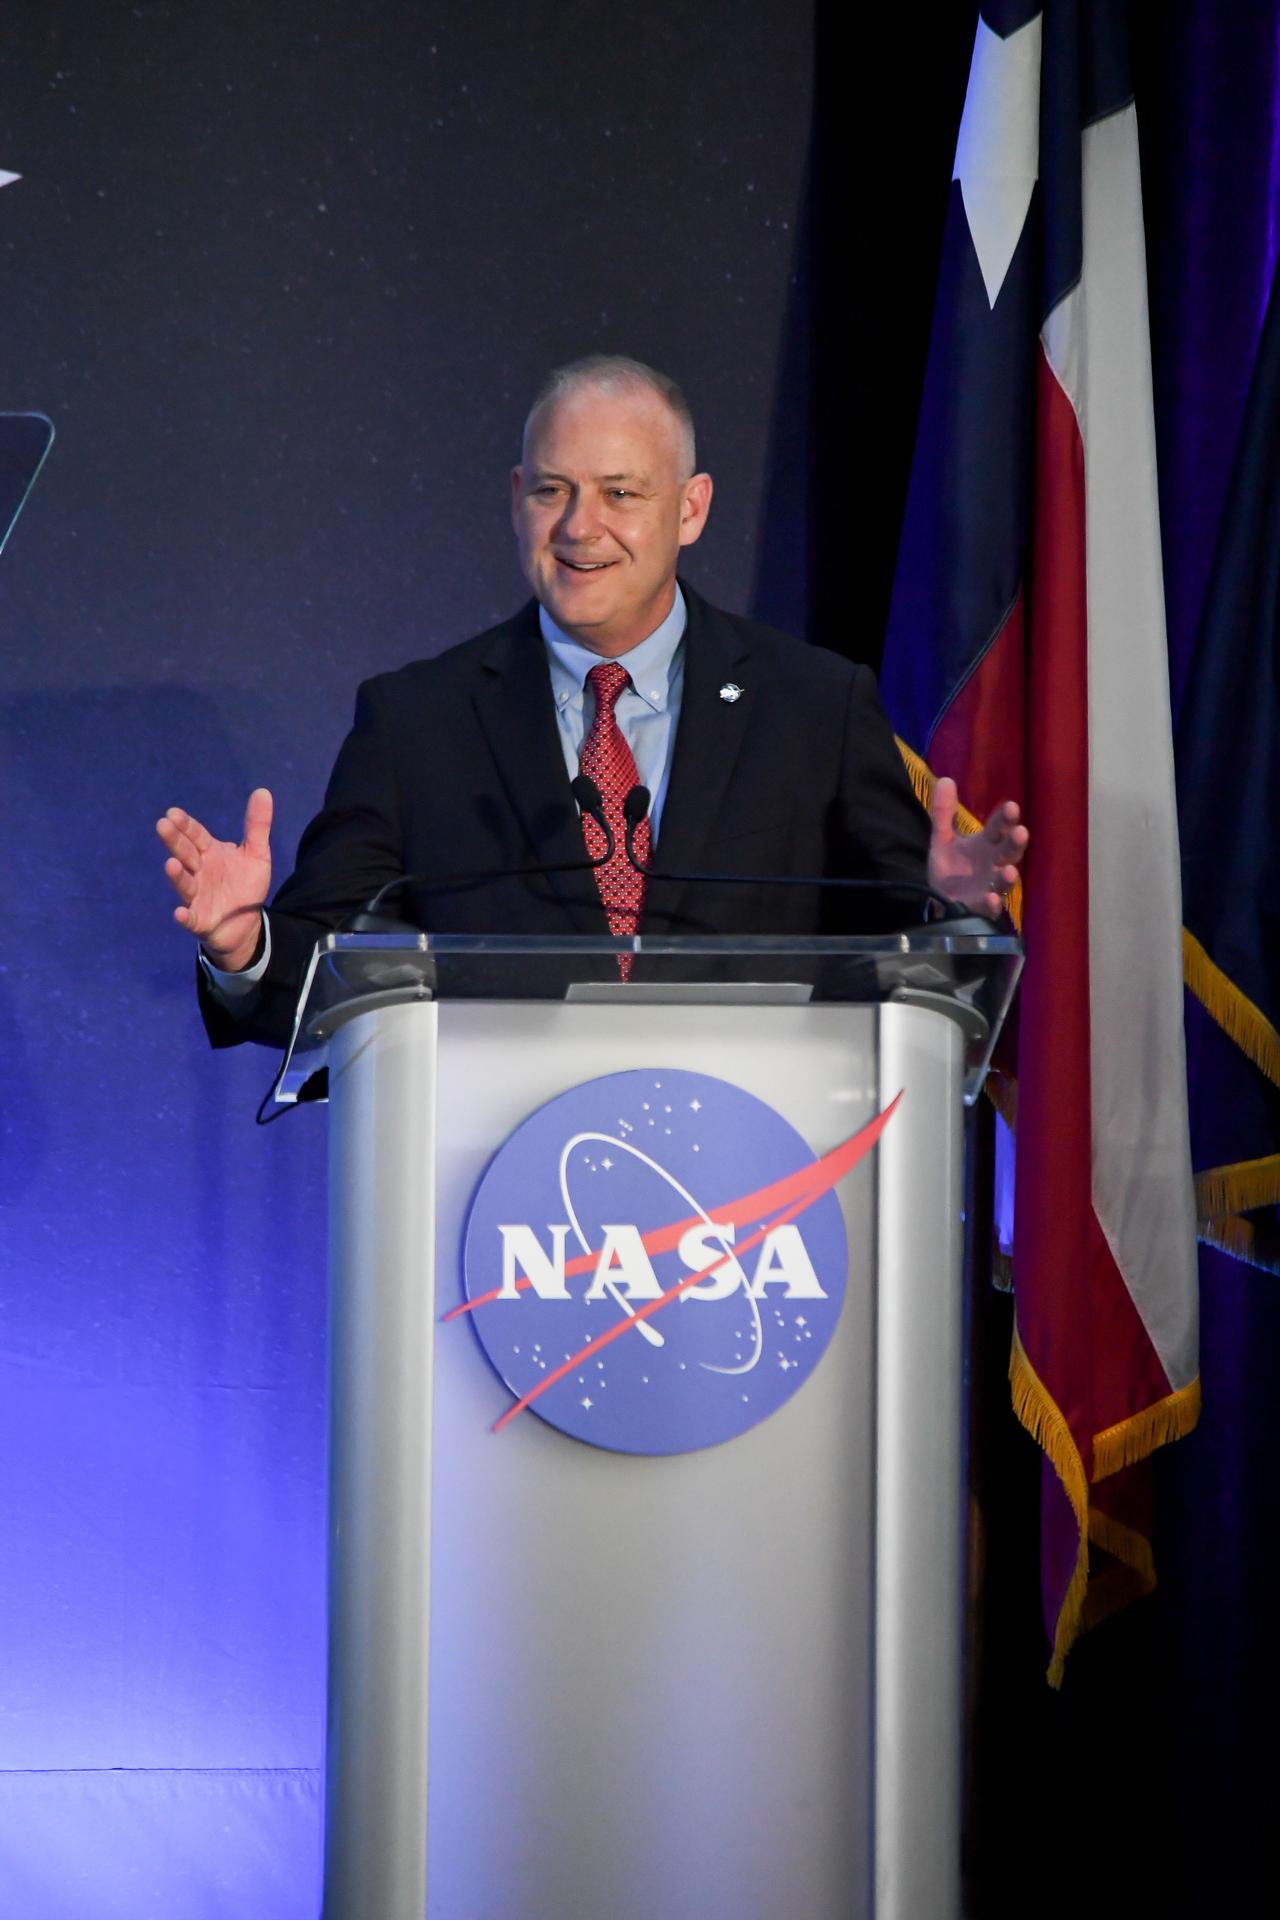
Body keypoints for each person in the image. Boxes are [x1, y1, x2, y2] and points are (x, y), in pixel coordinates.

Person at [157, 355, 1027, 1048]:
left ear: (690, 509)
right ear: (515, 499)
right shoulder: (418, 721)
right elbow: (309, 972)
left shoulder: (813, 706)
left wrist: (943, 907)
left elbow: (894, 955)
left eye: (620, 492)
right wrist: (245, 946)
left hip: (762, 1188)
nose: (579, 527)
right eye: (551, 490)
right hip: (502, 1202)